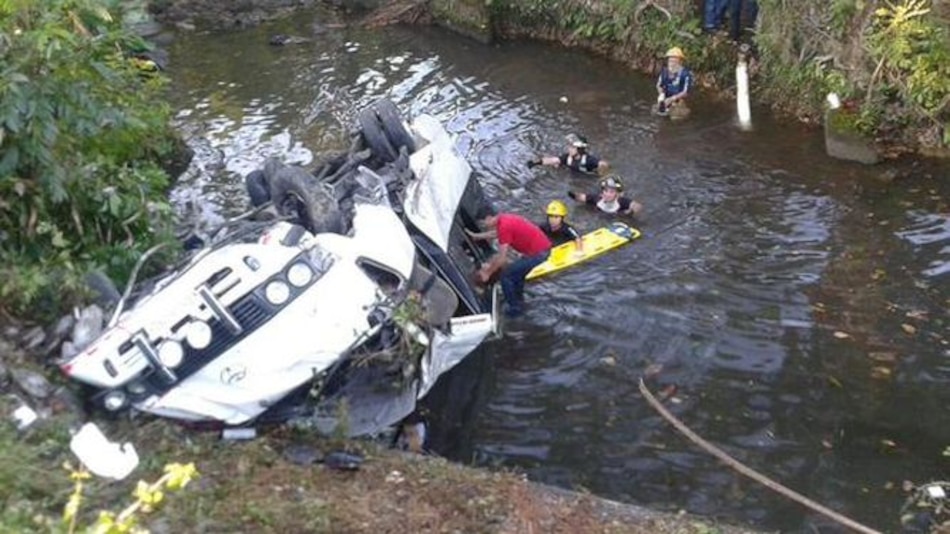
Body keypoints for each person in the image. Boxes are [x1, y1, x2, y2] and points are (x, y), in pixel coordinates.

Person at [467, 208, 552, 318]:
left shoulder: (504, 226)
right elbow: (497, 233)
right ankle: (519, 300)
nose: (484, 225)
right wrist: (477, 236)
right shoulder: (504, 219)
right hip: (542, 250)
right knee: (517, 275)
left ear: (489, 218)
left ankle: (514, 310)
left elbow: (502, 258)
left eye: (484, 222)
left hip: (538, 254)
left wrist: (487, 273)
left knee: (506, 276)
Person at [526, 133, 610, 175]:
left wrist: (601, 174)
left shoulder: (588, 160)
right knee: (556, 166)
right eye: (569, 146)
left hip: (586, 177)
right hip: (574, 176)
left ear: (579, 149)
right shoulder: (567, 157)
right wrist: (535, 163)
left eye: (572, 147)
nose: (569, 149)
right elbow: (553, 160)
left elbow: (603, 164)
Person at [568, 175, 642, 217]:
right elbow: (581, 197)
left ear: (617, 194)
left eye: (611, 192)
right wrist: (572, 194)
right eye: (605, 191)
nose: (607, 195)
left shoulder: (622, 202)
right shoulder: (597, 198)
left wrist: (629, 212)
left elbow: (637, 206)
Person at [655, 47, 693, 117]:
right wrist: (661, 94)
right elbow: (659, 85)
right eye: (670, 61)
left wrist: (672, 99)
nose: (672, 64)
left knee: (675, 117)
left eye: (675, 61)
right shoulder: (665, 71)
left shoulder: (685, 74)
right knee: (655, 111)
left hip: (679, 99)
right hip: (666, 96)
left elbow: (685, 92)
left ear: (680, 62)